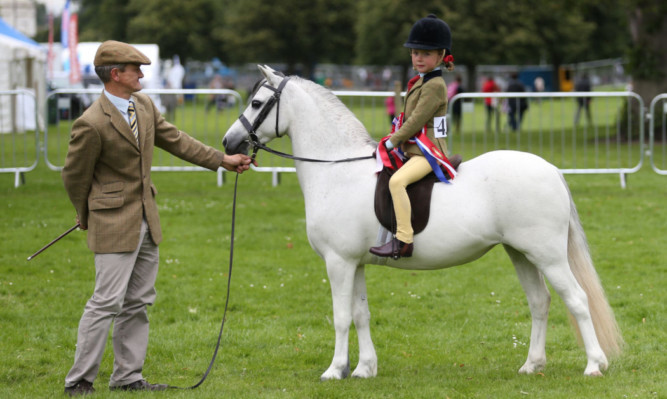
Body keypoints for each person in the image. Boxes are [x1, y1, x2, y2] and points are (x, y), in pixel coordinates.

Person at [61, 40, 253, 396]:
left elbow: (177, 140)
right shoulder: (89, 123)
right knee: (105, 303)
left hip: (148, 219)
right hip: (112, 223)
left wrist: (222, 160)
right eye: (135, 69)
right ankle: (79, 381)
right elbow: (74, 177)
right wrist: (84, 214)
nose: (142, 74)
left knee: (138, 302)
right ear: (116, 74)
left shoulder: (144, 105)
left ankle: (127, 377)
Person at [369, 15, 460, 260]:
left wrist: (391, 142)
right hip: (413, 147)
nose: (418, 58)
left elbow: (416, 121)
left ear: (441, 55)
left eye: (426, 53)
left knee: (397, 182)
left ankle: (404, 241)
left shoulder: (435, 85)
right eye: (415, 52)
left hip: (427, 151)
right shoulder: (421, 81)